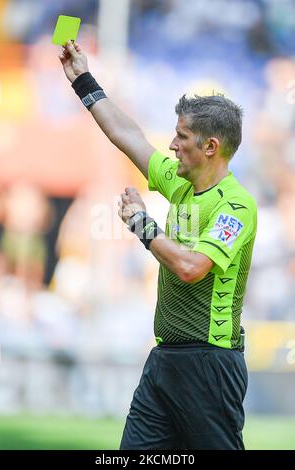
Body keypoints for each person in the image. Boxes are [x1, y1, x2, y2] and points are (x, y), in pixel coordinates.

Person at [59, 41, 257, 450]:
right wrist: (83, 80)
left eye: (181, 136)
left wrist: (141, 225)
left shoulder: (236, 206)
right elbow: (127, 134)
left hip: (210, 363)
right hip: (164, 359)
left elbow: (191, 267)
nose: (171, 145)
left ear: (210, 147)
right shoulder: (180, 181)